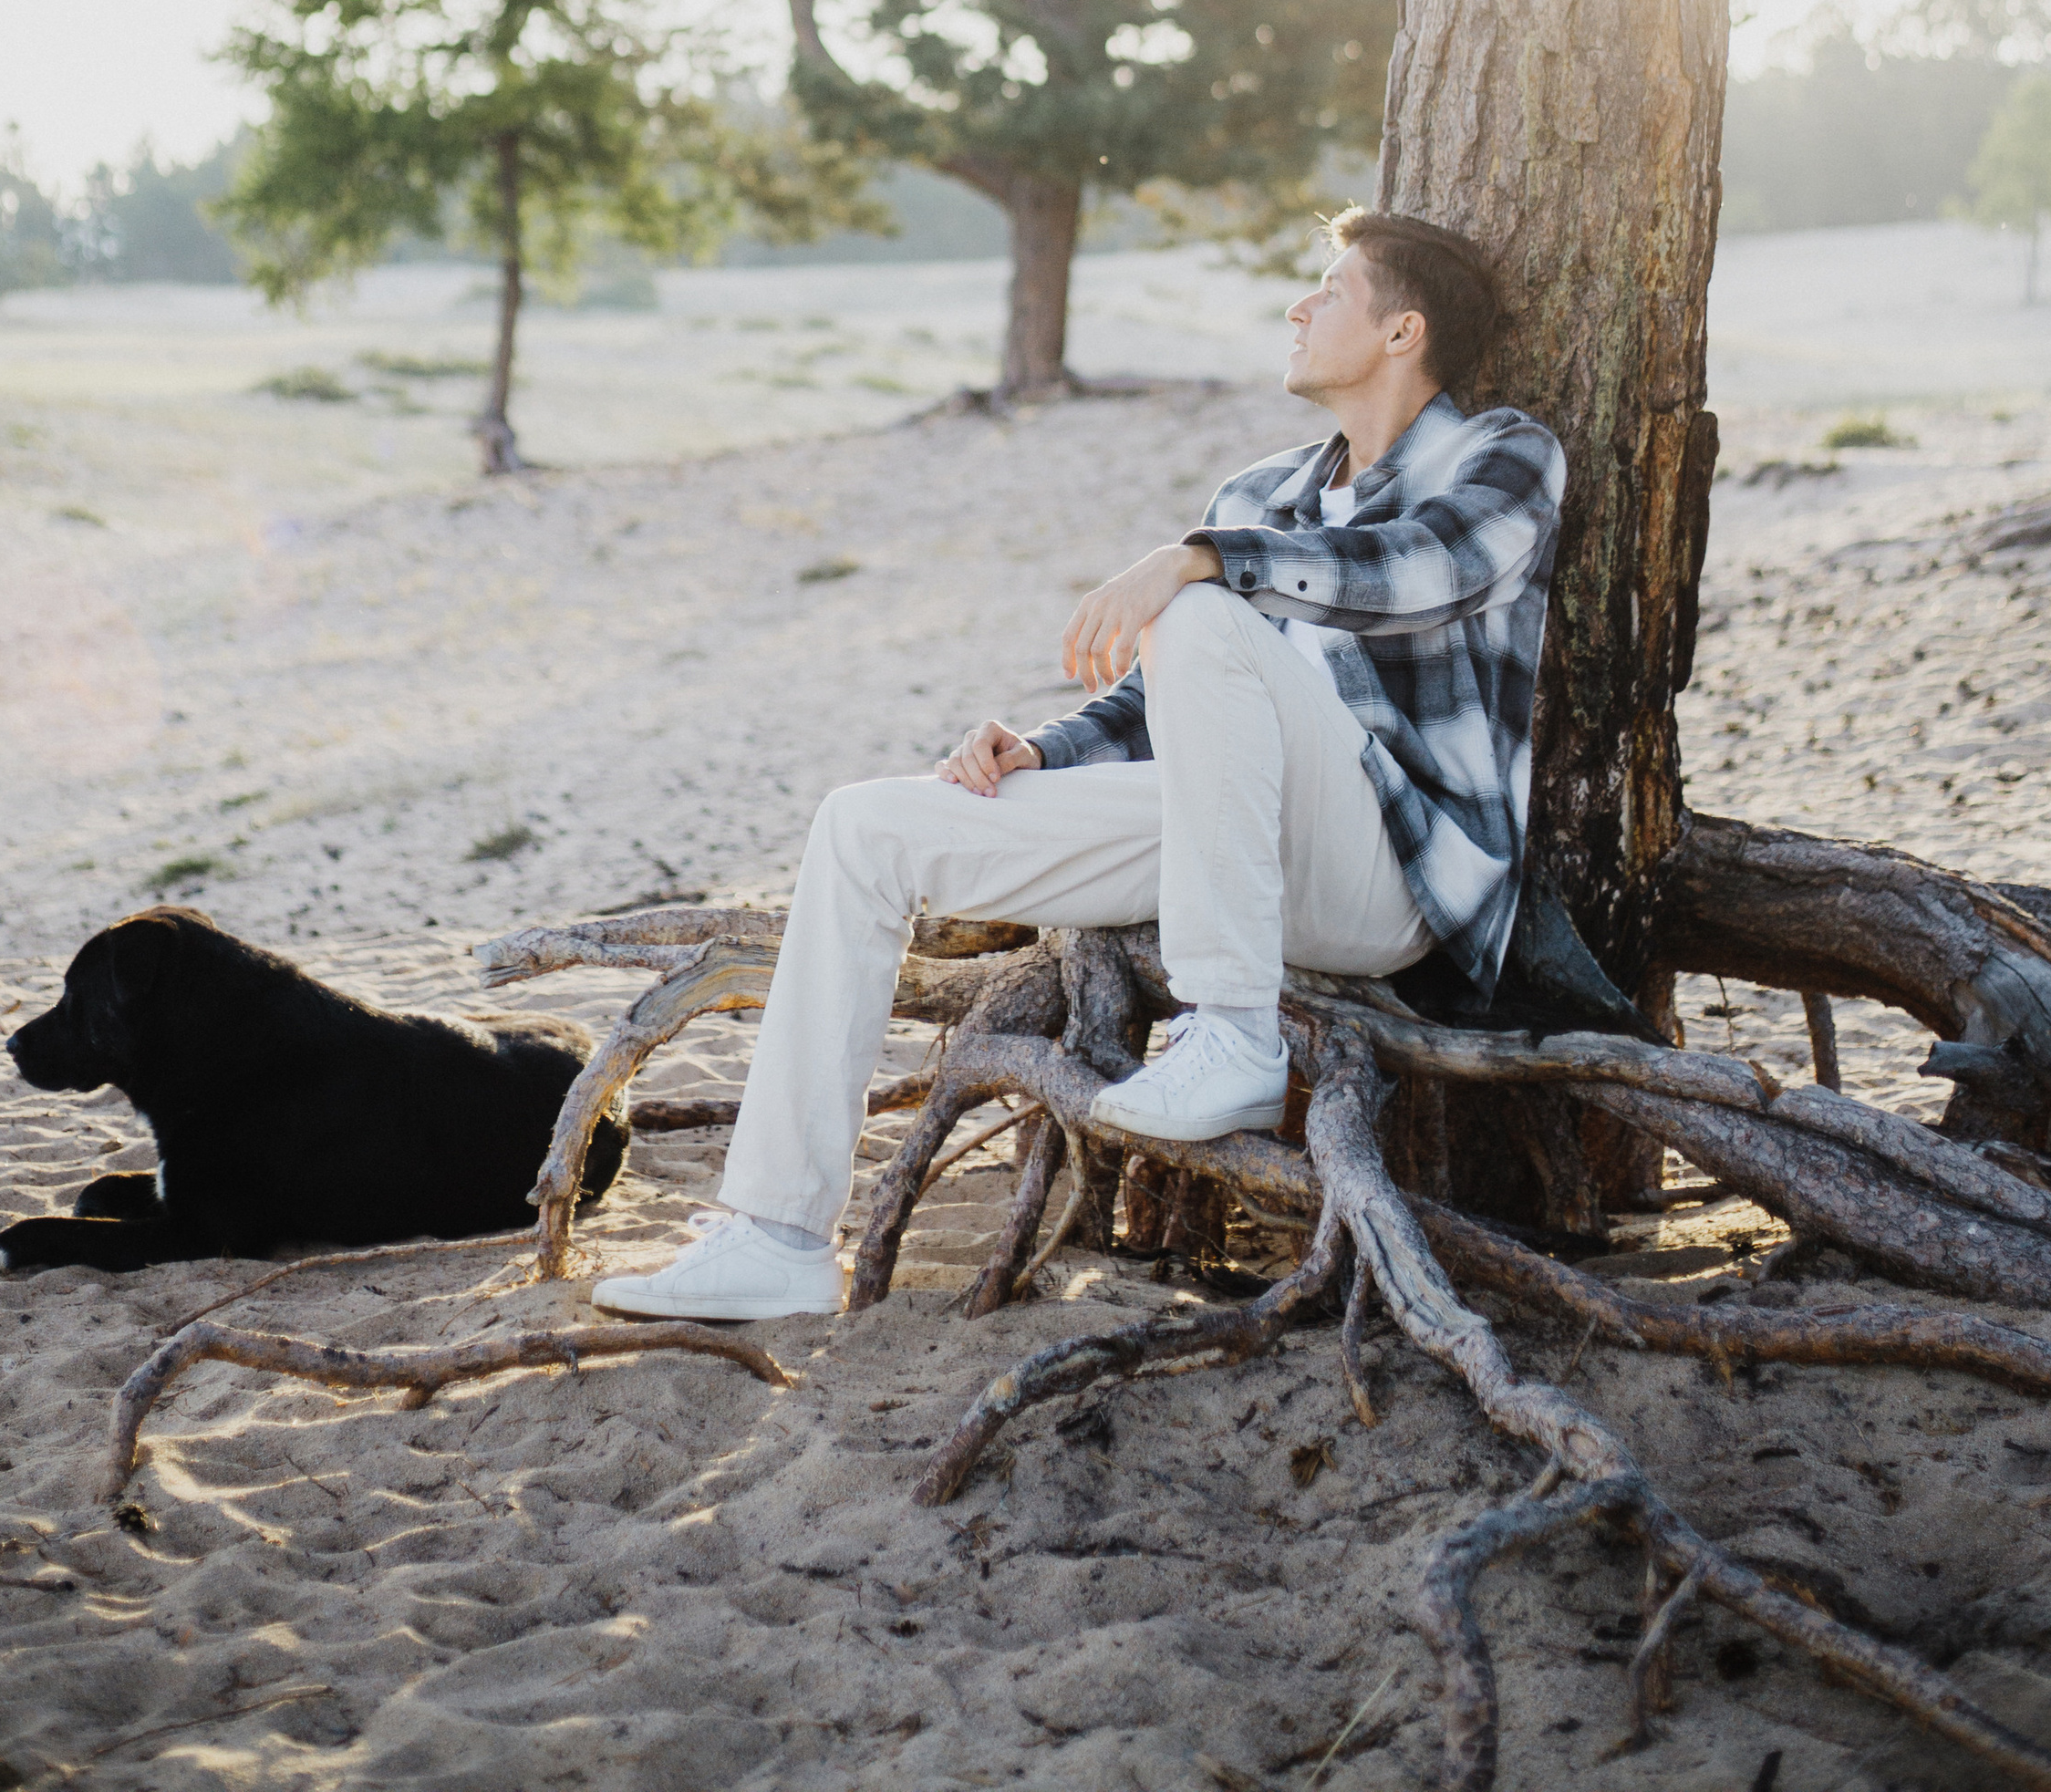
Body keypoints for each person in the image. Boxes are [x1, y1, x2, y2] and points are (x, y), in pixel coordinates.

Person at [592, 207, 1567, 1323]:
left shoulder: (1502, 455)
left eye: (1331, 290)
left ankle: (1231, 1032)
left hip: (1391, 871)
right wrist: (1039, 752)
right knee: (867, 829)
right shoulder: (1260, 495)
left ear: (1401, 332)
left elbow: (1424, 570)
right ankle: (777, 1236)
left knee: (1197, 609)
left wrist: (1194, 564)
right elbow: (1165, 703)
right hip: (1227, 843)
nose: (1299, 307)